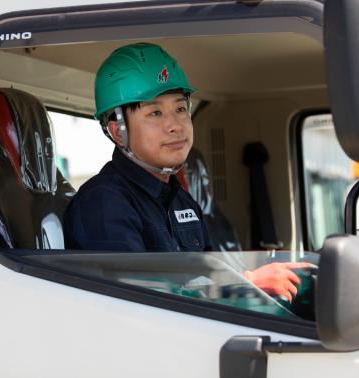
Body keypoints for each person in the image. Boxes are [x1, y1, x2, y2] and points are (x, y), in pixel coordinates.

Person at [63, 43, 308, 302]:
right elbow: (135, 305)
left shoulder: (181, 200)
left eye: (180, 109)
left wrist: (242, 282)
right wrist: (242, 285)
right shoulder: (103, 204)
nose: (175, 126)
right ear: (118, 131)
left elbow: (204, 280)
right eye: (155, 113)